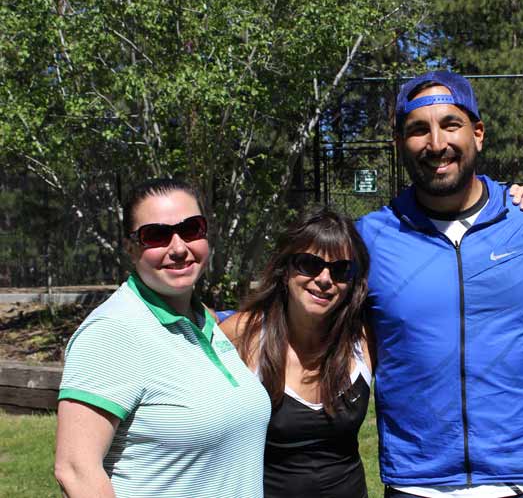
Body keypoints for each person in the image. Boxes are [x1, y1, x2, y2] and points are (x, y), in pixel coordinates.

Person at [356, 70, 523, 498]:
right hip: (417, 483)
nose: (436, 143)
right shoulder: (370, 238)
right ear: (401, 145)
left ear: (477, 133)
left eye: (451, 125)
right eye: (418, 129)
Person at [54, 179, 271, 498]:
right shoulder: (113, 331)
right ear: (130, 247)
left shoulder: (202, 321)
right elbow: (75, 469)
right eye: (156, 235)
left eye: (191, 228)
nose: (179, 248)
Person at [221, 207, 373, 498]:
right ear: (285, 270)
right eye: (309, 264)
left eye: (341, 270)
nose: (325, 278)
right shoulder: (245, 334)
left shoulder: (364, 339)